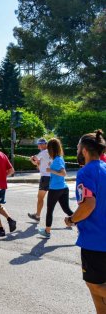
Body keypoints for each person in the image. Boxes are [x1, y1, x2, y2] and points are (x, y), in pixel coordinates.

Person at [65, 130, 106, 313]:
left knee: (95, 285)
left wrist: (71, 219)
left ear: (84, 150)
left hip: (95, 241)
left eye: (78, 147)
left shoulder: (85, 172)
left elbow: (88, 204)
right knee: (97, 292)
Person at [37, 138, 73, 238]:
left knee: (50, 210)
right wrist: (51, 166)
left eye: (48, 148)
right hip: (63, 188)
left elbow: (63, 173)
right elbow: (58, 168)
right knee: (67, 210)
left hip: (55, 189)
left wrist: (50, 170)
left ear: (51, 149)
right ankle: (81, 226)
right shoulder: (59, 158)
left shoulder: (57, 160)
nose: (47, 151)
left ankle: (47, 231)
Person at [28, 138, 51, 221]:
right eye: (39, 144)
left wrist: (32, 159)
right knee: (58, 199)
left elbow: (36, 160)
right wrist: (33, 160)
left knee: (40, 197)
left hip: (45, 177)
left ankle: (37, 216)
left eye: (41, 144)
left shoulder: (43, 152)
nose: (39, 146)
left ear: (45, 144)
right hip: (53, 177)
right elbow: (38, 164)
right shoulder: (50, 152)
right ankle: (72, 217)